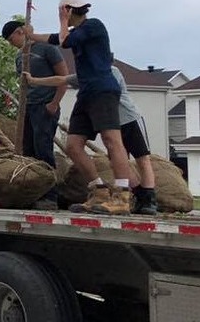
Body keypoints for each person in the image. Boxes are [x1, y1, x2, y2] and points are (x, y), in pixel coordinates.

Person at [26, 0, 135, 215]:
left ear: (68, 10)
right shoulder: (77, 33)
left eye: (62, 11)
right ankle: (98, 189)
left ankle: (122, 196)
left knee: (111, 140)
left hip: (103, 89)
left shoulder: (93, 26)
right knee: (73, 146)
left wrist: (63, 20)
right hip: (86, 92)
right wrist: (32, 36)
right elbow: (58, 38)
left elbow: (64, 40)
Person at [24, 65, 158, 215]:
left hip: (128, 119)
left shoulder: (111, 71)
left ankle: (148, 198)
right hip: (107, 123)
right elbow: (61, 80)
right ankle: (134, 194)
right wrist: (34, 80)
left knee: (142, 158)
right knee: (117, 161)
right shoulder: (84, 73)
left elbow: (107, 92)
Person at [2, 18, 68, 210]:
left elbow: (63, 77)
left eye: (10, 38)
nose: (10, 42)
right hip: (28, 108)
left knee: (43, 150)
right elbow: (23, 86)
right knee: (28, 151)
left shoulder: (47, 48)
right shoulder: (19, 57)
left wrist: (54, 103)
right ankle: (33, 193)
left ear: (20, 32)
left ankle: (50, 196)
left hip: (45, 106)